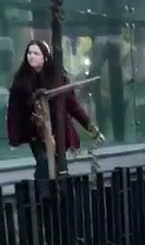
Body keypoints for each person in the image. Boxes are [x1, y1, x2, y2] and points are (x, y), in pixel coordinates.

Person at [6, 39, 103, 181]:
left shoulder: (57, 78)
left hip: (58, 129)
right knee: (44, 162)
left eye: (36, 53)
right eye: (29, 53)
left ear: (44, 57)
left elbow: (73, 106)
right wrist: (13, 137)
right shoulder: (21, 80)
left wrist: (90, 127)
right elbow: (14, 111)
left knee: (59, 168)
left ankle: (58, 196)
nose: (31, 56)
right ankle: (44, 197)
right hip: (36, 131)